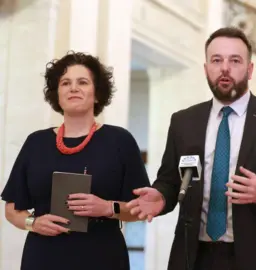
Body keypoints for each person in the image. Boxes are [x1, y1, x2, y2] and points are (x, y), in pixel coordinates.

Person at [126, 27, 256, 270]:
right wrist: (161, 196)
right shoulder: (184, 121)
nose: (225, 68)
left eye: (235, 60)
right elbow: (171, 181)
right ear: (206, 69)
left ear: (250, 69)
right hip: (195, 257)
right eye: (217, 60)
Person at [1, 51, 151, 270]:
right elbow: (12, 209)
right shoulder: (36, 142)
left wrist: (108, 207)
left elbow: (141, 208)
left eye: (82, 82)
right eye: (65, 83)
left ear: (97, 93)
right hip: (43, 256)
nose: (73, 88)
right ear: (57, 94)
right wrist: (33, 223)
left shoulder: (120, 141)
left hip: (102, 255)